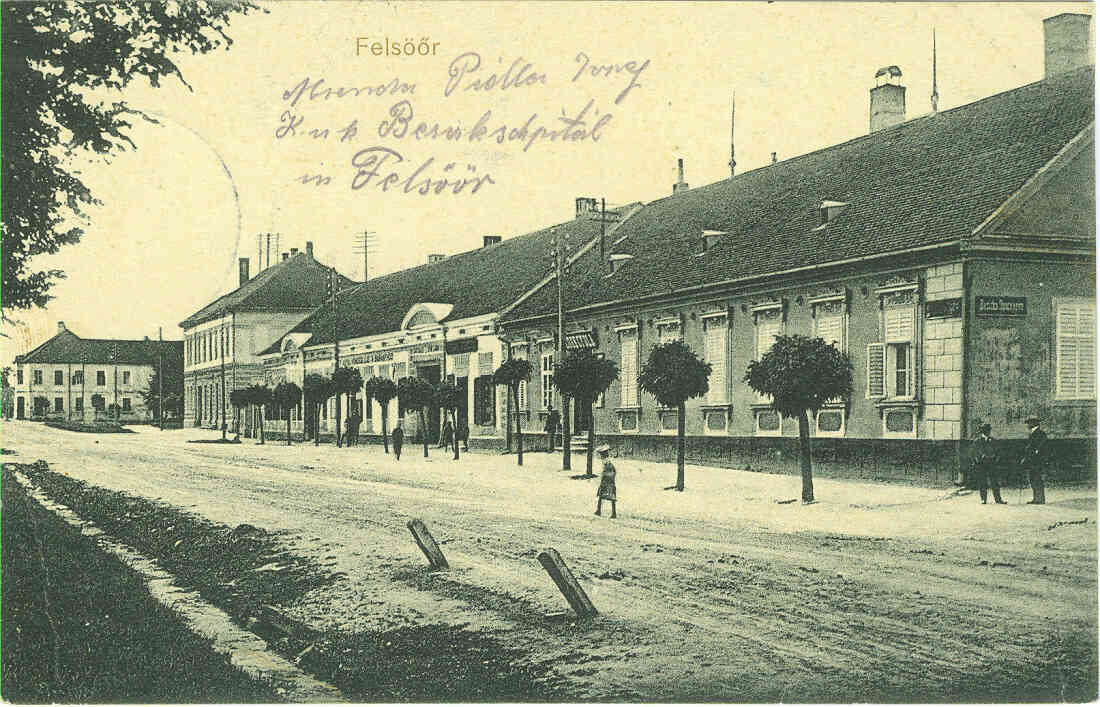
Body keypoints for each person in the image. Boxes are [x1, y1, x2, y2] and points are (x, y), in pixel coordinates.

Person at [972, 423, 1005, 504]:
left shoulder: (993, 441)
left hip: (992, 464)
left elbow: (998, 452)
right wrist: (977, 460)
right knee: (982, 482)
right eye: (985, 430)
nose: (987, 431)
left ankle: (998, 499)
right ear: (981, 431)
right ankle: (983, 499)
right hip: (981, 464)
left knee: (995, 482)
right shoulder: (977, 441)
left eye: (988, 430)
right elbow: (974, 453)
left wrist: (996, 460)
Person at [1020, 415, 1047, 504]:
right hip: (1032, 461)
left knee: (1037, 479)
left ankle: (1040, 499)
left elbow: (1040, 447)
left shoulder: (1040, 434)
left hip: (1036, 461)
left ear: (1034, 423)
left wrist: (1034, 454)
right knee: (1033, 479)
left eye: (1029, 423)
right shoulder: (1032, 433)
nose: (1027, 425)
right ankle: (1036, 498)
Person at [594, 443, 617, 519]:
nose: (600, 456)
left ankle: (612, 513)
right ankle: (599, 510)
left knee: (609, 496)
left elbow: (611, 471)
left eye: (601, 454)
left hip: (607, 481)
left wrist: (605, 476)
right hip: (606, 481)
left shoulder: (607, 461)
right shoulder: (606, 461)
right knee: (605, 496)